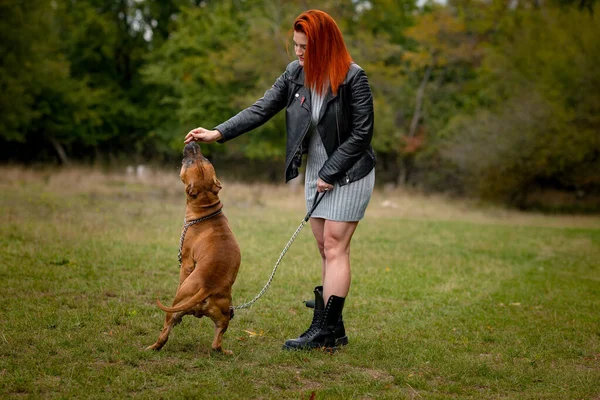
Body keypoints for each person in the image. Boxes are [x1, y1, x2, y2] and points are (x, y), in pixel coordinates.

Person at [184, 9, 375, 351]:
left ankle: (325, 333)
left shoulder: (352, 78)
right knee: (323, 246)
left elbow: (362, 133)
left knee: (334, 244)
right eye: (296, 45)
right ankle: (334, 327)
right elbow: (262, 108)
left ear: (325, 45)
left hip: (350, 170)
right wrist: (218, 132)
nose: (299, 53)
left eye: (305, 46)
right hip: (317, 170)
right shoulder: (295, 74)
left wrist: (332, 172)